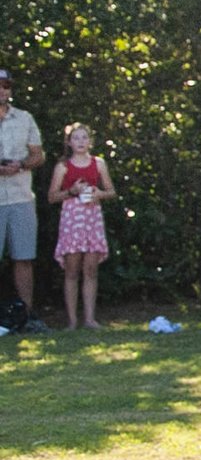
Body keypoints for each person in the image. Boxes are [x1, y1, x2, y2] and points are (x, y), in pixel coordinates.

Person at [46, 123, 117, 330]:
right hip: (72, 220)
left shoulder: (99, 163)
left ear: (90, 141)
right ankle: (72, 321)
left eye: (84, 138)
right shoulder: (63, 167)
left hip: (92, 218)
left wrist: (99, 193)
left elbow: (111, 191)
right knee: (71, 270)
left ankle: (90, 319)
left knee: (91, 269)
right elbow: (52, 196)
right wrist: (71, 191)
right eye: (76, 138)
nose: (80, 142)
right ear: (69, 142)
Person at [0, 67, 48, 330]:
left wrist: (20, 165)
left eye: (6, 85)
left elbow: (38, 155)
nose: (2, 90)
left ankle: (26, 316)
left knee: (24, 257)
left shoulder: (25, 118)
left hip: (20, 197)